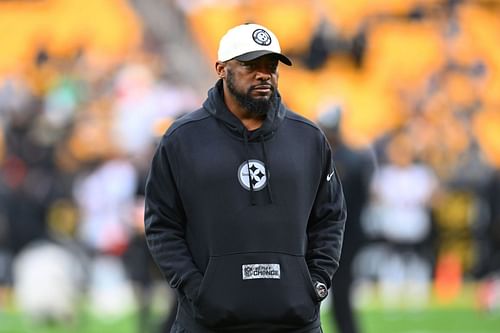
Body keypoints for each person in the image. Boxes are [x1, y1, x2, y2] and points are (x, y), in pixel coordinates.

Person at [144, 23, 347, 333]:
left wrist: (317, 282)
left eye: (271, 66)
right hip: (208, 323)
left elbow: (330, 217)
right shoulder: (182, 139)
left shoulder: (309, 138)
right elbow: (161, 223)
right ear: (221, 69)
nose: (263, 74)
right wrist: (195, 288)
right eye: (250, 65)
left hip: (295, 322)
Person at [318, 107, 372, 333]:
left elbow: (357, 200)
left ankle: (347, 328)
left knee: (341, 288)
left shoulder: (351, 159)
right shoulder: (323, 154)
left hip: (344, 233)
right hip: (324, 231)